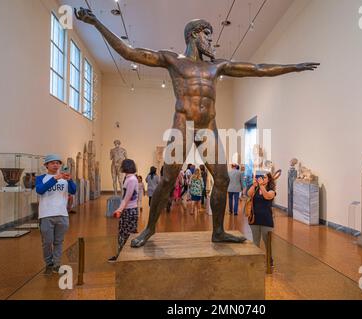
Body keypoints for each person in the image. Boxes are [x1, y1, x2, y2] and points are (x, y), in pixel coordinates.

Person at [75, 8, 318, 247]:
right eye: (208, 35)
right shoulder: (172, 60)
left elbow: (257, 69)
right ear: (194, 34)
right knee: (168, 178)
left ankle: (219, 231)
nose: (212, 41)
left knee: (221, 179)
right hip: (183, 123)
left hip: (207, 126)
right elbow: (128, 52)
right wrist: (97, 23)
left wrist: (293, 67)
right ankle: (149, 229)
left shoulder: (217, 66)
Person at [36, 154, 77, 274]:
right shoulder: (41, 178)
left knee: (58, 241)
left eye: (57, 163)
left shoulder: (64, 178)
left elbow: (73, 190)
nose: (55, 165)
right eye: (52, 163)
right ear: (46, 165)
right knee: (47, 242)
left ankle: (57, 264)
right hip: (46, 214)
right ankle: (49, 263)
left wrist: (70, 180)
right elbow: (40, 190)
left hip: (62, 214)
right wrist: (55, 179)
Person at [109, 159, 139, 262]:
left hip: (130, 211)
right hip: (128, 210)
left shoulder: (131, 180)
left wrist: (119, 209)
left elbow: (127, 197)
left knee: (128, 235)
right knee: (123, 234)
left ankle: (126, 257)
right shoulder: (128, 178)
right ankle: (121, 256)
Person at [247, 173, 276, 265]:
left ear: (268, 180)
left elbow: (267, 196)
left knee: (267, 241)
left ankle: (269, 259)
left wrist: (261, 186)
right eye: (261, 177)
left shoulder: (272, 191)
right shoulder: (256, 188)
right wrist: (254, 185)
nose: (262, 179)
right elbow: (249, 194)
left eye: (264, 177)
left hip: (266, 220)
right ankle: (256, 260)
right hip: (254, 218)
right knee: (255, 241)